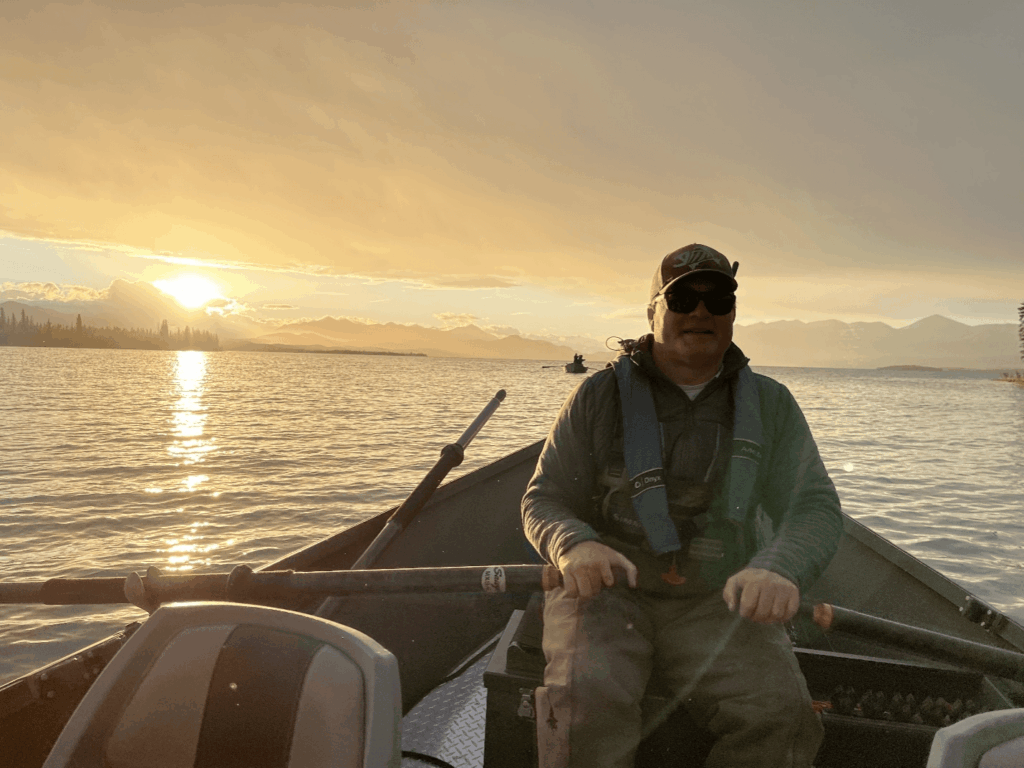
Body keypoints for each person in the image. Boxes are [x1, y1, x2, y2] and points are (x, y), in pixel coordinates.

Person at [522, 244, 844, 768]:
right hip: (605, 595)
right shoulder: (597, 397)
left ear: (733, 315)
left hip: (719, 598)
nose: (700, 311)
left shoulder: (772, 404)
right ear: (653, 313)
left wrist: (779, 569)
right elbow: (545, 497)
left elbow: (813, 507)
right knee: (584, 706)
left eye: (717, 298)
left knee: (780, 716)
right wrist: (573, 545)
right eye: (682, 298)